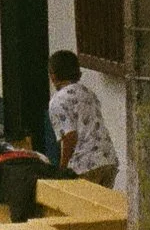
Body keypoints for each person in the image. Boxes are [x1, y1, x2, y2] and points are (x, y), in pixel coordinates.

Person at [45, 49, 118, 187]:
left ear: (53, 76)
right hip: (108, 159)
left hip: (83, 165)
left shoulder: (57, 101)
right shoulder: (87, 92)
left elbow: (70, 136)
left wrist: (62, 168)